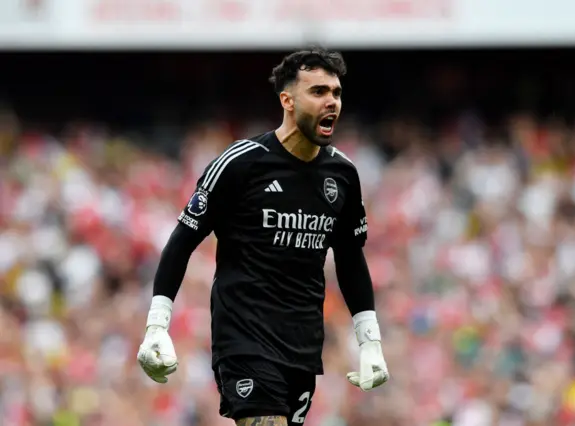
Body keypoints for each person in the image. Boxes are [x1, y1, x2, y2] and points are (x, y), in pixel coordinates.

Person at [136, 48, 389, 426]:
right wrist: (157, 324)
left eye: (336, 92)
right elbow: (182, 241)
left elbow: (350, 258)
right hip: (244, 339)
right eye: (318, 92)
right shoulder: (241, 162)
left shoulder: (343, 174)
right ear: (287, 100)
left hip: (302, 346)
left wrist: (369, 340)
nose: (332, 102)